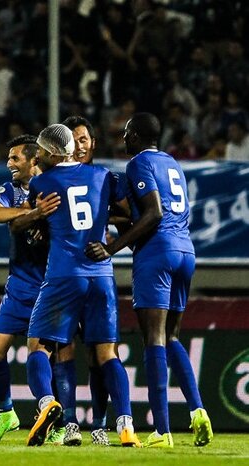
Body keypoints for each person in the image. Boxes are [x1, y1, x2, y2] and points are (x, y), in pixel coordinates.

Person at [85, 112, 214, 448]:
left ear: (136, 136)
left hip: (158, 253)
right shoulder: (173, 163)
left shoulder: (139, 163)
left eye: (127, 132)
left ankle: (162, 429)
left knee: (153, 338)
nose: (123, 138)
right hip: (185, 251)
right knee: (172, 336)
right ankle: (198, 409)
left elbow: (154, 213)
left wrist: (111, 247)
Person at [24, 124, 140, 448]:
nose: (38, 155)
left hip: (64, 273)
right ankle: (126, 425)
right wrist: (102, 221)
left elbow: (38, 220)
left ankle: (47, 404)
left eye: (40, 150)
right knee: (107, 354)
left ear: (51, 152)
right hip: (101, 274)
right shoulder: (103, 176)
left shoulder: (42, 182)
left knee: (39, 347)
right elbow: (128, 212)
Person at [0, 134, 61, 443]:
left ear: (34, 159)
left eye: (15, 158)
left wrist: (45, 226)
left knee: (41, 354)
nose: (9, 163)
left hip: (48, 286)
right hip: (18, 286)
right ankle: (6, 414)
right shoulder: (11, 190)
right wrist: (32, 215)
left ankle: (54, 421)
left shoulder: (54, 187)